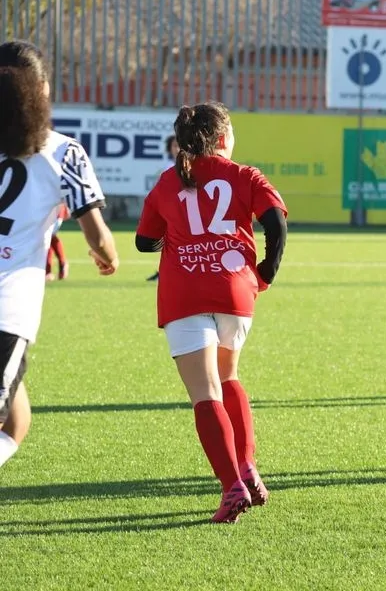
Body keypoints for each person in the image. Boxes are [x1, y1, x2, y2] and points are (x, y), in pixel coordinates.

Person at [135, 102, 288, 523]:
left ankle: (231, 487)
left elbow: (144, 242)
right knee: (229, 377)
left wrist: (178, 237)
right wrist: (266, 273)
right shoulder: (244, 175)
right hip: (236, 289)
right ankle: (247, 468)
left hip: (185, 292)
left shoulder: (170, 181)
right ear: (223, 139)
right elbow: (275, 224)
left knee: (205, 394)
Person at [0, 40, 119, 469]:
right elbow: (97, 234)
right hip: (6, 313)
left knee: (17, 424)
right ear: (42, 89)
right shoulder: (63, 151)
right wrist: (108, 256)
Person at [145, 135, 180, 282]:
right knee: (170, 243)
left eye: (180, 145)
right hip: (172, 212)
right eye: (174, 146)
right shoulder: (168, 168)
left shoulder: (191, 166)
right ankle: (164, 271)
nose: (177, 149)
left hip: (185, 212)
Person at [45, 203, 70, 281]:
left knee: (48, 236)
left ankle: (49, 271)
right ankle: (48, 270)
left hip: (55, 209)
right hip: (47, 209)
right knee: (48, 237)